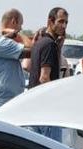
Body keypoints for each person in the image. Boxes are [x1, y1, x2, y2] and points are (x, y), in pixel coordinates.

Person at [25, 6, 69, 141]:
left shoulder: (40, 43)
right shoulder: (49, 44)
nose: (64, 26)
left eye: (66, 22)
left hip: (34, 107)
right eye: (60, 21)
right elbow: (44, 78)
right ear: (50, 21)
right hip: (45, 109)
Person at [0, 9, 34, 115]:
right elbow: (32, 51)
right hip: (0, 106)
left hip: (6, 103)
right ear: (13, 21)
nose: (21, 28)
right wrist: (19, 35)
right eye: (20, 25)